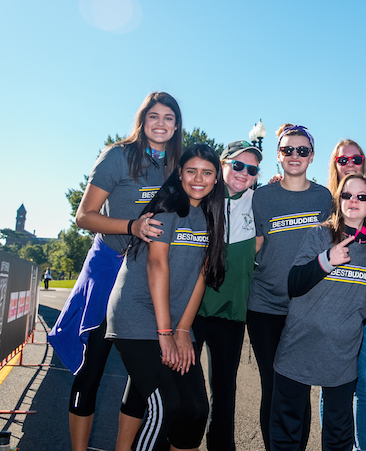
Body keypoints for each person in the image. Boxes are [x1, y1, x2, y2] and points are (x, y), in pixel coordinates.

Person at [48, 91, 182, 451]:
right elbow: (84, 216)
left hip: (147, 274)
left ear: (176, 124)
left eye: (169, 117)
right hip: (108, 267)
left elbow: (210, 188)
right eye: (154, 115)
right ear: (142, 119)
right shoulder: (117, 155)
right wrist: (131, 226)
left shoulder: (177, 164)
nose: (161, 123)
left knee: (142, 375)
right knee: (91, 371)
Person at [106, 144, 227, 451]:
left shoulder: (211, 217)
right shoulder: (167, 208)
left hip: (172, 323)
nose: (198, 179)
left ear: (216, 178)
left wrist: (183, 331)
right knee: (166, 408)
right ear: (180, 173)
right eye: (191, 171)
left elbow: (202, 276)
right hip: (137, 315)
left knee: (196, 412)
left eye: (207, 172)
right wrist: (165, 334)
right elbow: (156, 264)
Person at [271, 174, 366, 451]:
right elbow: (294, 284)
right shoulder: (319, 234)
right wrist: (327, 260)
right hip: (297, 350)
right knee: (287, 433)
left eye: (361, 196)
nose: (353, 201)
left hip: (341, 359)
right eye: (346, 195)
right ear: (338, 200)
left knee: (338, 438)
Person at [248, 124, 333, 451]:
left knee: (298, 387)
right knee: (272, 386)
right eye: (287, 150)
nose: (294, 155)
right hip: (264, 307)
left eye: (302, 150)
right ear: (278, 155)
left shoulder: (323, 197)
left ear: (311, 156)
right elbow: (253, 245)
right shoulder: (263, 197)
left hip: (307, 309)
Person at [193, 140, 262, 451]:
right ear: (222, 166)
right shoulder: (200, 197)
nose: (244, 173)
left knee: (224, 393)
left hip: (231, 315)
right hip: (190, 312)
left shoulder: (259, 202)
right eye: (237, 165)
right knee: (185, 394)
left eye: (252, 169)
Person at [325, 139, 366, 451]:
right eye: (342, 159)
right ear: (334, 163)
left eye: (355, 158)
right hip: (331, 307)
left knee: (365, 384)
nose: (349, 163)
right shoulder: (325, 197)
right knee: (332, 382)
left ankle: (364, 447)